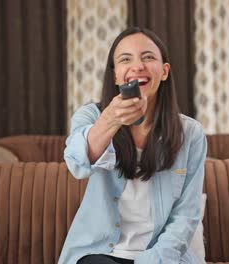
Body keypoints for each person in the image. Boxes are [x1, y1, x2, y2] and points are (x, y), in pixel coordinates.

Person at [59, 27, 207, 264]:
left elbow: (187, 214)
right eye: (125, 59)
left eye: (148, 57)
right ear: (116, 75)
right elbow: (77, 163)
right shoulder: (90, 116)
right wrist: (111, 119)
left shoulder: (191, 134)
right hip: (100, 254)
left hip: (162, 257)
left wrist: (151, 260)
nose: (138, 66)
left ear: (165, 71)